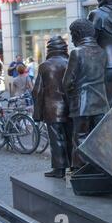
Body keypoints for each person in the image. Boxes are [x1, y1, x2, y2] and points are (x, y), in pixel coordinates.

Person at [63, 19, 110, 170]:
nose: (71, 39)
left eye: (72, 34)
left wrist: (70, 96)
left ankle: (79, 169)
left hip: (82, 103)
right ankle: (100, 167)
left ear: (78, 34)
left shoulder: (76, 53)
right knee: (99, 138)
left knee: (80, 137)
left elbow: (67, 82)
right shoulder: (102, 52)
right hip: (101, 102)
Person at [33, 36, 72, 178]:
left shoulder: (44, 66)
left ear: (49, 49)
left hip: (52, 109)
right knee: (70, 138)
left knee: (56, 140)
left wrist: (37, 113)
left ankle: (59, 169)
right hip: (70, 107)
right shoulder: (70, 62)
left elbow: (37, 91)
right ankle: (73, 166)